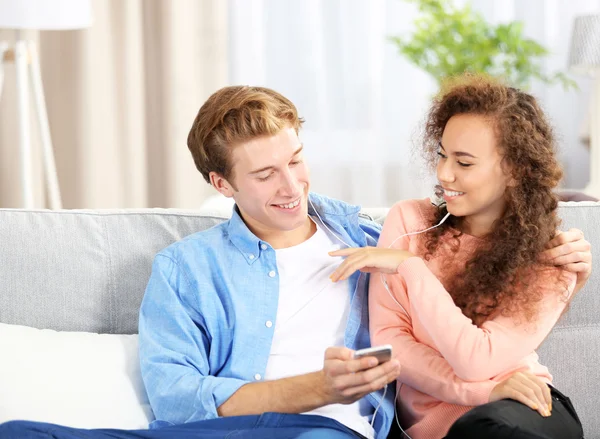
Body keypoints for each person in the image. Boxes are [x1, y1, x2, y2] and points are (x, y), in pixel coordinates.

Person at [0, 85, 590, 439]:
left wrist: (562, 254)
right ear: (220, 183)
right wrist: (310, 387)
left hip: (330, 431)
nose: (292, 187)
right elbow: (176, 399)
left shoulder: (365, 234)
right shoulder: (186, 269)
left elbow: (464, 270)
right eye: (264, 174)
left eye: (297, 160)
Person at [329, 75, 590, 439]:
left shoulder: (553, 256)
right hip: (452, 423)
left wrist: (411, 267)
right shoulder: (408, 222)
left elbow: (477, 360)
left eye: (464, 163)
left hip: (526, 408)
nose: (444, 173)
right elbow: (392, 344)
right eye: (442, 155)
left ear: (514, 170)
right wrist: (482, 392)